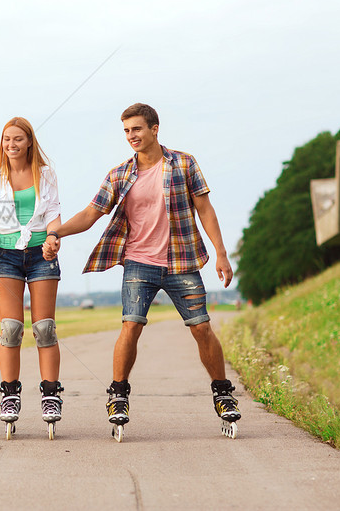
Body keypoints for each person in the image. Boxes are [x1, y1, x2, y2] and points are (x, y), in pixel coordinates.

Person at [43, 103, 241, 432]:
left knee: (201, 328)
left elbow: (205, 209)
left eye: (136, 129)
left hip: (181, 261)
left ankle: (223, 392)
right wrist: (55, 231)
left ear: (154, 129)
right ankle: (118, 393)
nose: (131, 136)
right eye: (126, 131)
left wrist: (221, 253)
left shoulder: (184, 163)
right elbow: (91, 214)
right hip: (139, 262)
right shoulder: (120, 174)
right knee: (131, 325)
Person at [0, 117, 64, 433]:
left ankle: (50, 394)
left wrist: (54, 239)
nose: (11, 145)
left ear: (29, 141)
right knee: (11, 328)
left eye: (18, 139)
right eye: (6, 140)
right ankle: (10, 393)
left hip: (41, 252)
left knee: (44, 328)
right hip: (7, 256)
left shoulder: (45, 174)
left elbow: (54, 214)